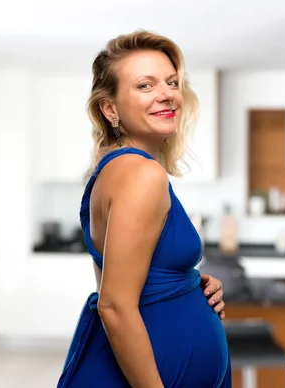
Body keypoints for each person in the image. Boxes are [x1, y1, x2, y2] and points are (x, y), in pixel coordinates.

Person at [57, 30, 232, 388]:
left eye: (171, 82)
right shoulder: (141, 174)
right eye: (145, 86)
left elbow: (127, 277)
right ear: (110, 109)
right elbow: (115, 306)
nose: (167, 93)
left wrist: (187, 282)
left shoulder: (115, 169)